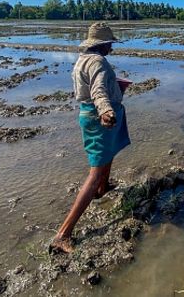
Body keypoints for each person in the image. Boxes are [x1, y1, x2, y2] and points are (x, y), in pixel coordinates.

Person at [49, 22, 131, 254]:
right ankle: (63, 234)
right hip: (99, 117)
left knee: (108, 154)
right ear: (102, 45)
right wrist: (106, 110)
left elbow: (93, 87)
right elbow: (98, 91)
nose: (111, 49)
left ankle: (103, 189)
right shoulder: (98, 61)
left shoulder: (82, 60)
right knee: (94, 172)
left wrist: (114, 89)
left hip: (91, 114)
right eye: (110, 45)